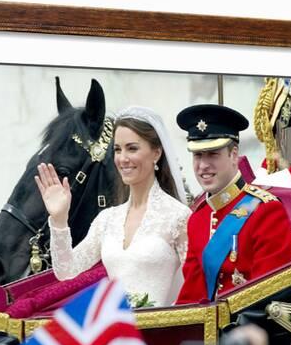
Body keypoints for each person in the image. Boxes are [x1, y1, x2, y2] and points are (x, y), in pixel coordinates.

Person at [35, 106, 191, 307]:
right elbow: (67, 271)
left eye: (132, 148)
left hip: (161, 333)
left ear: (156, 153)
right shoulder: (107, 219)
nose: (122, 158)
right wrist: (59, 219)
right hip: (117, 333)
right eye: (117, 149)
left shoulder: (178, 216)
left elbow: (193, 287)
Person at [174, 104, 291, 304]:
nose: (203, 165)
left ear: (233, 154)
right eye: (197, 155)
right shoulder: (198, 218)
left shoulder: (266, 211)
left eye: (213, 154)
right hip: (209, 331)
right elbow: (191, 298)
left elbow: (268, 297)